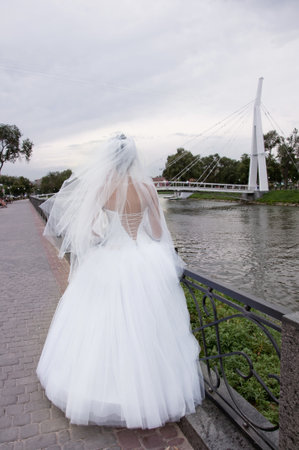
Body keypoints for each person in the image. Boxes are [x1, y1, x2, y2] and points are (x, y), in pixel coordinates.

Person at [37, 134, 204, 429]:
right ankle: (149, 392)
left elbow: (89, 231)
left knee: (103, 326)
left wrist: (105, 238)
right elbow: (155, 231)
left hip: (111, 258)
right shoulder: (146, 187)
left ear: (110, 159)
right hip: (142, 257)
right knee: (146, 326)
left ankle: (104, 389)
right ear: (134, 160)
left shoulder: (103, 187)